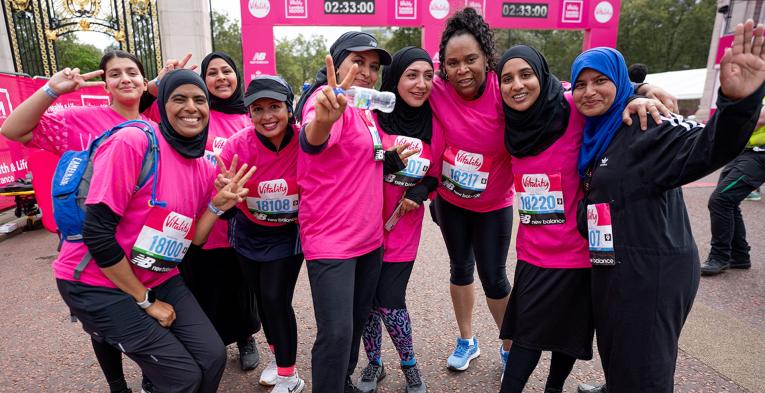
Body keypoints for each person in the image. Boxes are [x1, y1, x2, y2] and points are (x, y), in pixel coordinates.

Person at [571, 20, 765, 393]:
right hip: (615, 266)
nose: (589, 92)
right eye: (581, 84)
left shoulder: (646, 123)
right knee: (618, 350)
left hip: (651, 274)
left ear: (620, 84)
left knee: (646, 373)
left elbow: (709, 147)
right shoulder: (595, 134)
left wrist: (738, 104)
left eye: (600, 81)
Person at [55, 68, 255, 393]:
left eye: (200, 100)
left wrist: (218, 206)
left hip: (158, 275)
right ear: (162, 105)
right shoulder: (134, 142)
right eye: (179, 98)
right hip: (96, 283)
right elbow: (97, 233)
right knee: (183, 378)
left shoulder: (204, 164)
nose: (192, 107)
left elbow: (197, 239)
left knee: (213, 356)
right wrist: (145, 301)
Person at [495, 46, 672, 393]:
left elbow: (607, 91)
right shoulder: (507, 121)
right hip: (533, 253)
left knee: (568, 336)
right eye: (507, 78)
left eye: (526, 74)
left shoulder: (573, 106)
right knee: (525, 337)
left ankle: (554, 389)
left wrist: (643, 93)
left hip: (580, 252)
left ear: (542, 76)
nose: (517, 85)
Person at [0, 50, 158, 393]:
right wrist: (52, 90)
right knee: (102, 321)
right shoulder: (79, 120)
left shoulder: (155, 130)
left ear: (145, 84)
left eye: (132, 72)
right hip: (91, 240)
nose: (125, 78)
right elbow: (12, 129)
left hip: (139, 240)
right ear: (106, 86)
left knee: (147, 309)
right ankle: (117, 386)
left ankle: (151, 379)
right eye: (115, 74)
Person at [146, 51, 261, 371]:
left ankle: (245, 337)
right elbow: (143, 111)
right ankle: (205, 343)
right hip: (195, 222)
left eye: (227, 71)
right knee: (202, 287)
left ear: (238, 76)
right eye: (213, 73)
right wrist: (160, 82)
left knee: (239, 288)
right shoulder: (191, 114)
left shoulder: (249, 116)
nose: (221, 77)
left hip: (239, 222)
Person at [295, 31, 393, 393]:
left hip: (369, 240)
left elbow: (360, 158)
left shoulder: (366, 108)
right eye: (358, 62)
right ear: (336, 64)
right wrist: (323, 120)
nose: (366, 72)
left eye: (372, 66)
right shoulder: (327, 100)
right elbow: (314, 136)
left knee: (352, 325)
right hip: (332, 241)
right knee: (335, 334)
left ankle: (342, 382)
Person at [427, 7, 514, 374]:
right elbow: (396, 85)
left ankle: (510, 346)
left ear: (487, 58)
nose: (462, 70)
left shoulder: (505, 86)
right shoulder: (436, 88)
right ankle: (467, 340)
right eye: (452, 63)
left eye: (471, 60)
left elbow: (562, 94)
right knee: (460, 269)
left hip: (495, 203)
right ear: (442, 66)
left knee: (494, 277)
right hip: (451, 201)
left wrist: (640, 91)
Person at [357, 47, 439, 393]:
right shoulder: (371, 117)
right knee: (367, 303)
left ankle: (410, 367)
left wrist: (420, 194)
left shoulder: (435, 123)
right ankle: (374, 364)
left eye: (428, 76)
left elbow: (435, 174)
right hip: (362, 228)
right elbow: (353, 166)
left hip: (402, 230)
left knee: (390, 300)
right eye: (411, 75)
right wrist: (386, 163)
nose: (421, 84)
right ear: (394, 79)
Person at [218, 75, 305, 393]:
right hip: (247, 232)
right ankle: (276, 355)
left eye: (274, 107)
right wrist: (227, 199)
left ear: (289, 108)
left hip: (288, 233)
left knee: (275, 298)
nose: (267, 116)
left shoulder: (304, 140)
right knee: (261, 299)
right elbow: (224, 206)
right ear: (249, 113)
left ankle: (289, 376)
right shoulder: (236, 146)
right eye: (258, 109)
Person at [701, 107, 765, 275]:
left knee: (720, 200)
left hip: (759, 155)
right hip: (745, 153)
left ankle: (719, 256)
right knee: (728, 202)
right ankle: (739, 255)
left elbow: (757, 120)